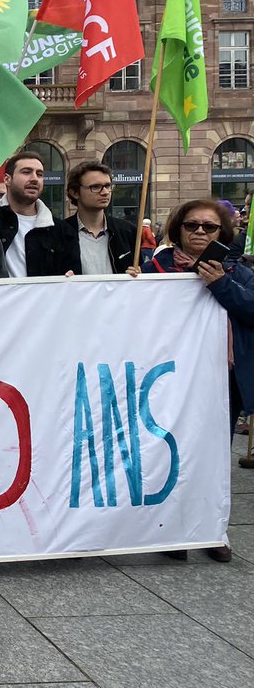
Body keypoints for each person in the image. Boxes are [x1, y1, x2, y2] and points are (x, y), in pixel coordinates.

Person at [137, 198, 254, 564]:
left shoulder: (237, 271)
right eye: (192, 226)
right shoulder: (154, 267)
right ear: (178, 229)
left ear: (223, 233)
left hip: (223, 377)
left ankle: (212, 529)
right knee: (173, 451)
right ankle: (173, 530)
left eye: (209, 227)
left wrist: (221, 284)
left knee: (215, 454)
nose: (200, 232)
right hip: (172, 376)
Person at [25, 162, 136, 277]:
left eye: (108, 186)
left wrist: (138, 275)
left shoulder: (127, 231)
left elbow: (140, 277)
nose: (105, 192)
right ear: (75, 192)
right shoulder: (58, 234)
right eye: (95, 187)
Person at [0, 151, 55, 278]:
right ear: (7, 179)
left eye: (39, 174)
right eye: (26, 172)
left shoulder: (60, 230)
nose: (34, 178)